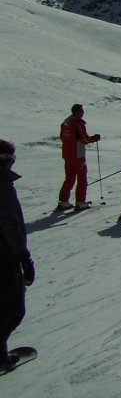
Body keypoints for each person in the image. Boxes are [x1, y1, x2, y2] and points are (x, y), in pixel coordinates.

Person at [0, 139, 35, 372]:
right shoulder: (2, 183)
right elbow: (9, 221)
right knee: (12, 308)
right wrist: (24, 257)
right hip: (4, 255)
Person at [57, 103, 101, 211]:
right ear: (76, 112)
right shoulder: (77, 123)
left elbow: (62, 137)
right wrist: (94, 139)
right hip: (78, 155)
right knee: (82, 178)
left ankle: (63, 201)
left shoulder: (65, 123)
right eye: (81, 111)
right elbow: (84, 139)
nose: (82, 113)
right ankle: (81, 202)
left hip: (67, 154)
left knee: (69, 178)